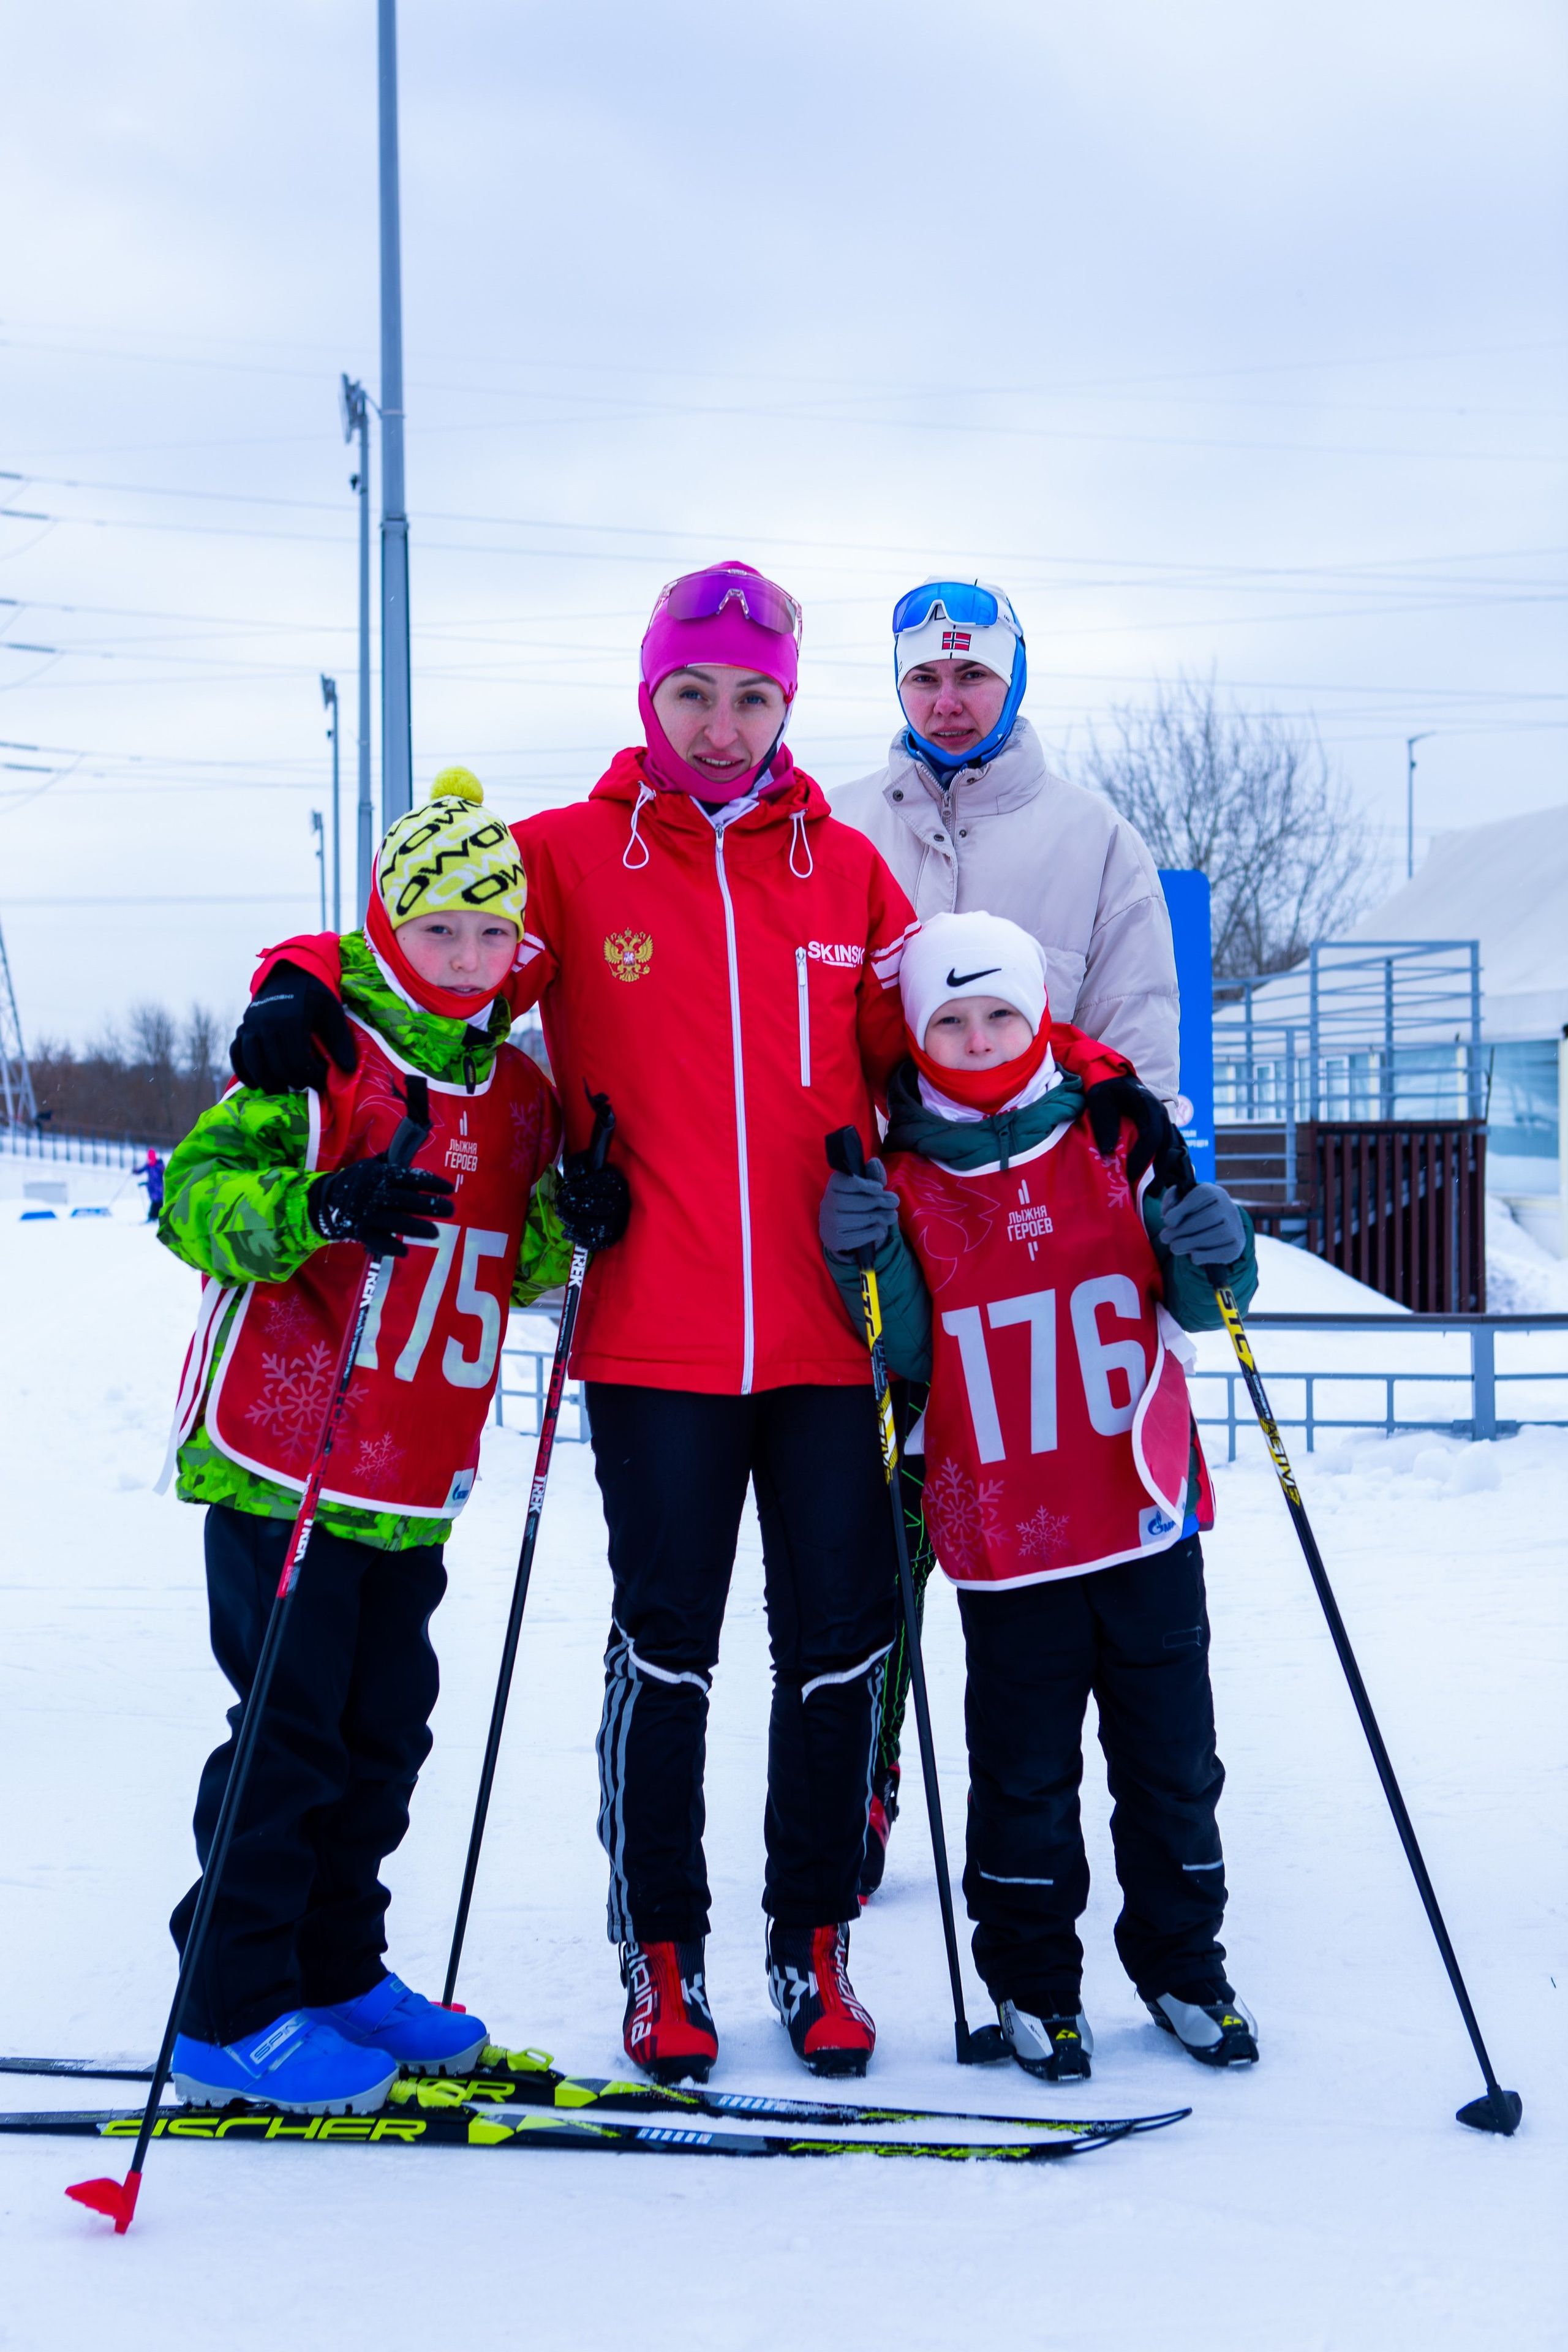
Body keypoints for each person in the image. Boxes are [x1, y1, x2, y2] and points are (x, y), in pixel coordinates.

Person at [228, 565, 1131, 2086]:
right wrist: (292, 982)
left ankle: (815, 1935)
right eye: (693, 694)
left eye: (754, 697)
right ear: (648, 697)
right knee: (668, 1652)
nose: (721, 725)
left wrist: (1105, 1095)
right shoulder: (572, 858)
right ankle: (663, 1953)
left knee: (840, 1648)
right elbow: (425, 945)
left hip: (827, 1330)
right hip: (651, 1335)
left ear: (790, 705)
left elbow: (962, 1019)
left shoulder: (844, 871)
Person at [155, 771, 568, 2114]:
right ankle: (228, 2005)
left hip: (407, 1471)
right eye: (436, 929)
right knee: (288, 1736)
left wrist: (591, 1215)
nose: (463, 957)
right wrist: (324, 1202)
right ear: (390, 929)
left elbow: (519, 1258)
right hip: (287, 1455)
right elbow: (197, 1197)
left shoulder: (514, 1088)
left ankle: (338, 1970)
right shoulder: (322, 1046)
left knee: (384, 1732)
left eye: (488, 934)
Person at [818, 910, 1261, 2082]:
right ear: (918, 1033)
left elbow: (1206, 1295)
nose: (976, 1035)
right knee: (1024, 1772)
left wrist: (1224, 1244)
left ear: (1036, 1013)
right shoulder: (905, 1169)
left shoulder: (1117, 1132)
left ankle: (1183, 1965)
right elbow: (906, 1350)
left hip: (1141, 1505)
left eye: (999, 1011)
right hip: (1007, 1524)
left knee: (1173, 1762)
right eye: (949, 1019)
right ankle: (1032, 1979)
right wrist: (860, 1257)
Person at [831, 581, 1185, 1893]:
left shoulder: (1088, 835)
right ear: (899, 690)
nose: (948, 700)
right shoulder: (844, 826)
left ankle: (1083, 1823)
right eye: (925, 680)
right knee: (870, 1559)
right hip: (885, 1245)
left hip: (1043, 1260)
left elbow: (1137, 1025)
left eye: (971, 679)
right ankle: (862, 1789)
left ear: (1012, 684)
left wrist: (1136, 1172)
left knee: (1052, 1578)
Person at [138, 1147, 166, 1222]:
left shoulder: (159, 1165)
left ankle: (155, 1216)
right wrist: (136, 1171)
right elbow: (141, 1170)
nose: (150, 1160)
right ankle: (153, 1217)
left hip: (159, 1188)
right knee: (154, 1202)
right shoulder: (149, 1166)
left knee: (159, 1202)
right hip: (152, 1189)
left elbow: (165, 1173)